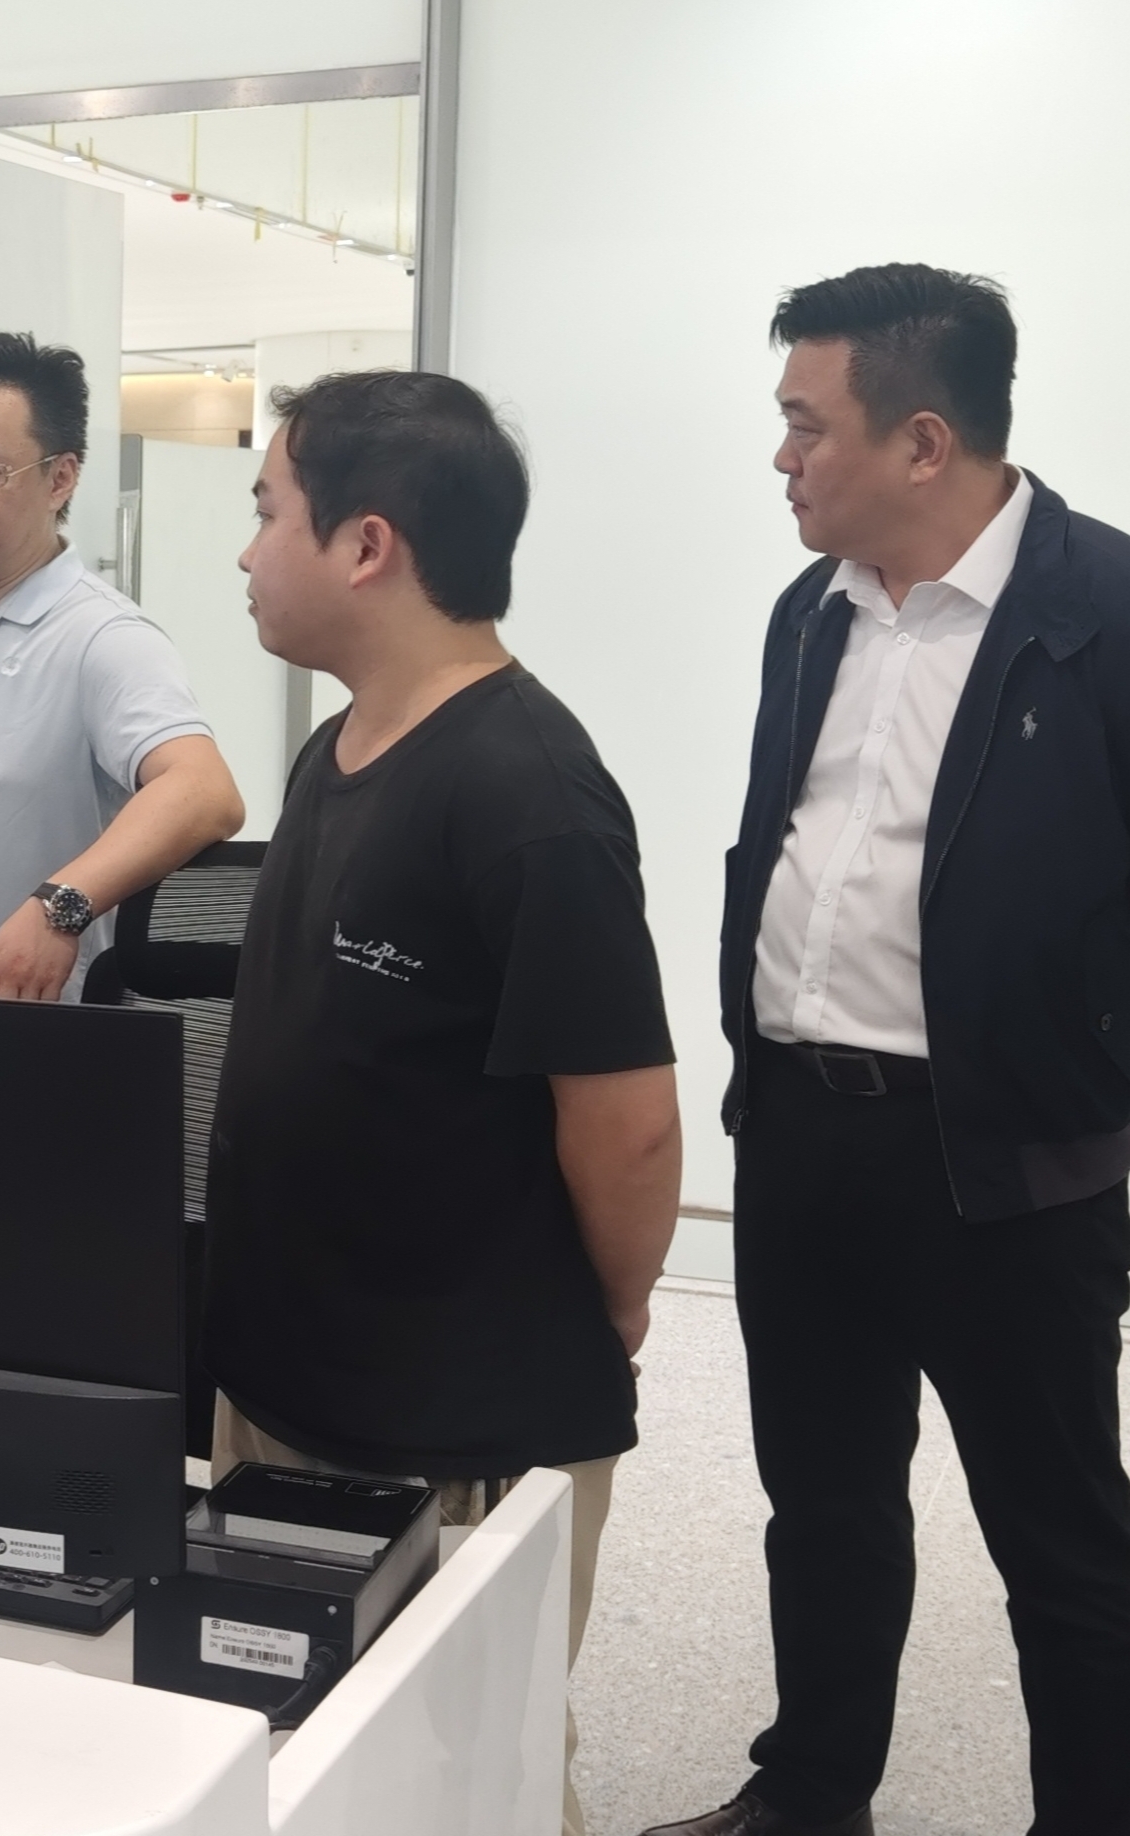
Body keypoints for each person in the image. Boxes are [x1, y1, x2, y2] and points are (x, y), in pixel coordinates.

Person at [650, 266, 1130, 1836]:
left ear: (924, 442)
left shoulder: (1103, 613)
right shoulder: (815, 611)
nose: (782, 456)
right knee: (824, 1500)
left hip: (1008, 1158)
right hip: (806, 1128)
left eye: (808, 425)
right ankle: (812, 1791)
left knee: (1061, 1537)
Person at [202, 369, 680, 1836]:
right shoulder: (339, 746)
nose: (245, 552)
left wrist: (608, 1309)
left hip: (457, 1411)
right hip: (296, 1371)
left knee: (472, 1773)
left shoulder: (530, 792)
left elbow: (629, 1124)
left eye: (267, 512)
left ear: (368, 546)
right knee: (301, 1744)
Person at [0, 331, 243, 999]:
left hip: (28, 1022)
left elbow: (204, 793)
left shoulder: (102, 637)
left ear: (59, 478)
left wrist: (57, 908)